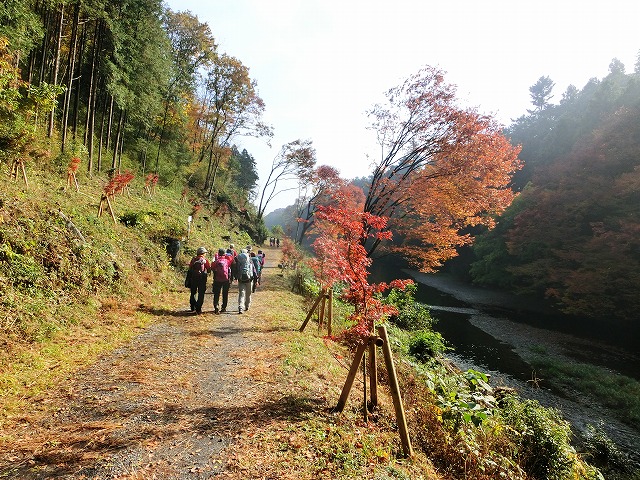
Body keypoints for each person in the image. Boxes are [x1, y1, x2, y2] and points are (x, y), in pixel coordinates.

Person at [188, 246, 210, 314]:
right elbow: (209, 269)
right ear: (203, 253)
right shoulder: (204, 260)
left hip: (193, 278)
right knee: (201, 293)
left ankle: (192, 306)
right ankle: (198, 308)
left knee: (193, 292)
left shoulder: (193, 259)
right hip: (202, 279)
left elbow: (190, 267)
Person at [211, 248, 232, 314]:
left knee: (216, 293)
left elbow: (212, 268)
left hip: (217, 279)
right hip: (226, 279)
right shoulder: (227, 261)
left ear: (218, 253)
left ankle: (216, 306)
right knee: (225, 294)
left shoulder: (216, 261)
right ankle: (223, 307)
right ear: (224, 253)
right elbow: (231, 263)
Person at [235, 248, 256, 313]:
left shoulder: (238, 260)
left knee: (241, 293)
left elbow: (236, 269)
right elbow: (254, 270)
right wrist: (256, 278)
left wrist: (236, 277)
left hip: (241, 279)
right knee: (248, 294)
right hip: (249, 279)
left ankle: (240, 307)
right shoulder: (250, 260)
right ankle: (247, 306)